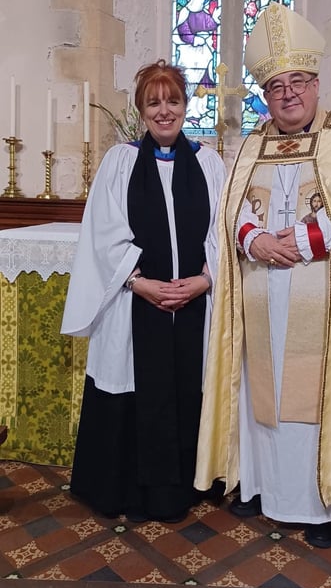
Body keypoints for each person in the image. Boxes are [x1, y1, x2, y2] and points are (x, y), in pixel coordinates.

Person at [194, 2, 331, 547]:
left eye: (298, 82)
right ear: (265, 95)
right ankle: (260, 486)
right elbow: (230, 211)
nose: (288, 93)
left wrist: (306, 238)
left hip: (323, 296)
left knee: (313, 402)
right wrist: (255, 238)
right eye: (276, 86)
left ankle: (321, 504)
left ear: (316, 85)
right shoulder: (251, 144)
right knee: (260, 397)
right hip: (259, 292)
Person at [61, 60, 226, 523]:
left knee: (189, 383)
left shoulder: (209, 164)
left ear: (185, 106)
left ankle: (191, 485)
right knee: (135, 382)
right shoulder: (121, 162)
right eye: (153, 102)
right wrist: (138, 282)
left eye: (172, 100)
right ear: (141, 110)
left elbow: (222, 229)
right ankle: (129, 490)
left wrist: (206, 279)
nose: (164, 110)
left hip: (195, 303)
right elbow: (102, 232)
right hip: (133, 302)